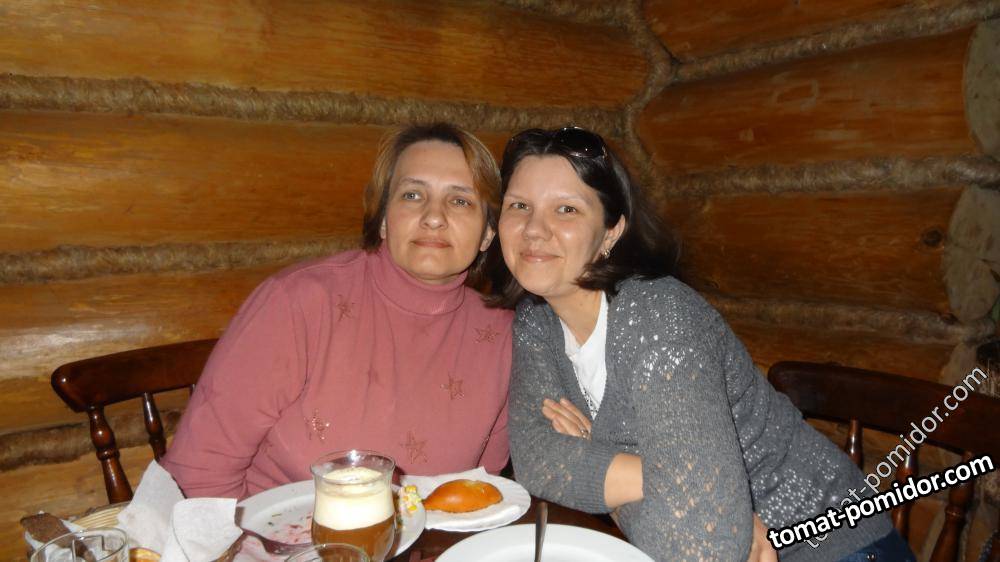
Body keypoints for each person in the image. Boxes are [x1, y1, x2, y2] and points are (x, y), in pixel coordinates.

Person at [491, 126, 915, 561]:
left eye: (566, 209)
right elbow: (536, 459)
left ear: (611, 232)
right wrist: (674, 484)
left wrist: (597, 471)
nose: (534, 229)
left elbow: (702, 545)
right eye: (519, 205)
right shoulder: (536, 322)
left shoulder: (659, 317)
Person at [161, 123, 513, 499]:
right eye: (412, 195)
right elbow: (197, 475)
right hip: (271, 534)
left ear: (488, 233)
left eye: (460, 201)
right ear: (383, 219)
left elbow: (481, 493)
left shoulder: (502, 337)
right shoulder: (298, 303)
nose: (434, 217)